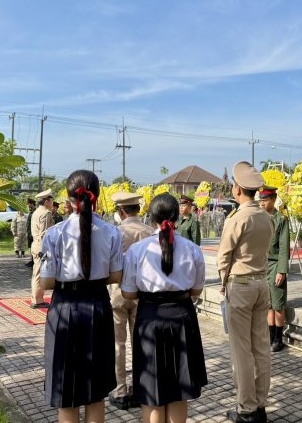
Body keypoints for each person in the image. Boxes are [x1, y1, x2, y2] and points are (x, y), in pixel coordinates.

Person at [39, 170, 123, 423]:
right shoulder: (112, 232)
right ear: (96, 195)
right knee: (95, 392)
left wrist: (71, 279)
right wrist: (92, 280)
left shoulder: (54, 233)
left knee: (66, 391)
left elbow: (46, 282)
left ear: (68, 198)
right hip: (98, 305)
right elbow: (116, 276)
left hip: (65, 307)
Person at [121, 193, 207, 423]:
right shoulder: (192, 249)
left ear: (151, 217)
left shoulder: (137, 250)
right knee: (180, 390)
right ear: (177, 216)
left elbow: (128, 293)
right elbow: (197, 290)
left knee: (152, 391)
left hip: (149, 316)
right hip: (182, 316)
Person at [216, 161, 274, 423]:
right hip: (262, 284)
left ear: (237, 189)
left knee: (241, 351)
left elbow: (224, 257)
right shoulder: (266, 217)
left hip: (240, 286)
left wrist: (223, 282)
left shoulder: (237, 218)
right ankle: (260, 405)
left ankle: (246, 409)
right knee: (261, 347)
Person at [107, 191, 154, 411]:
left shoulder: (115, 233)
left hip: (118, 291)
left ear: (121, 211)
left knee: (118, 343)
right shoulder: (150, 232)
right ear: (138, 209)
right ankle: (139, 388)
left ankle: (120, 390)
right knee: (140, 343)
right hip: (142, 293)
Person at [258, 186, 290, 353]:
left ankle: (278, 339)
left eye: (265, 200)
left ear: (273, 199)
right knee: (268, 303)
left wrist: (281, 271)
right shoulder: (259, 218)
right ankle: (270, 336)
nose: (262, 204)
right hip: (262, 265)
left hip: (276, 264)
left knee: (277, 303)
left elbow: (284, 247)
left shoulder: (281, 219)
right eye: (260, 200)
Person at [31, 189, 54, 309]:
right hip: (41, 245)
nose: (52, 203)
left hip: (36, 244)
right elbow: (44, 233)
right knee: (39, 273)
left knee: (37, 272)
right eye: (51, 200)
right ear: (46, 202)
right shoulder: (45, 213)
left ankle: (36, 298)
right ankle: (37, 300)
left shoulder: (36, 212)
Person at [26, 198, 36, 268]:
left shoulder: (35, 212)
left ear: (32, 204)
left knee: (34, 247)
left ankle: (34, 261)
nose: (28, 205)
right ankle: (32, 260)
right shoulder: (31, 212)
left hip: (33, 233)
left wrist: (33, 233)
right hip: (29, 232)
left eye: (29, 204)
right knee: (31, 247)